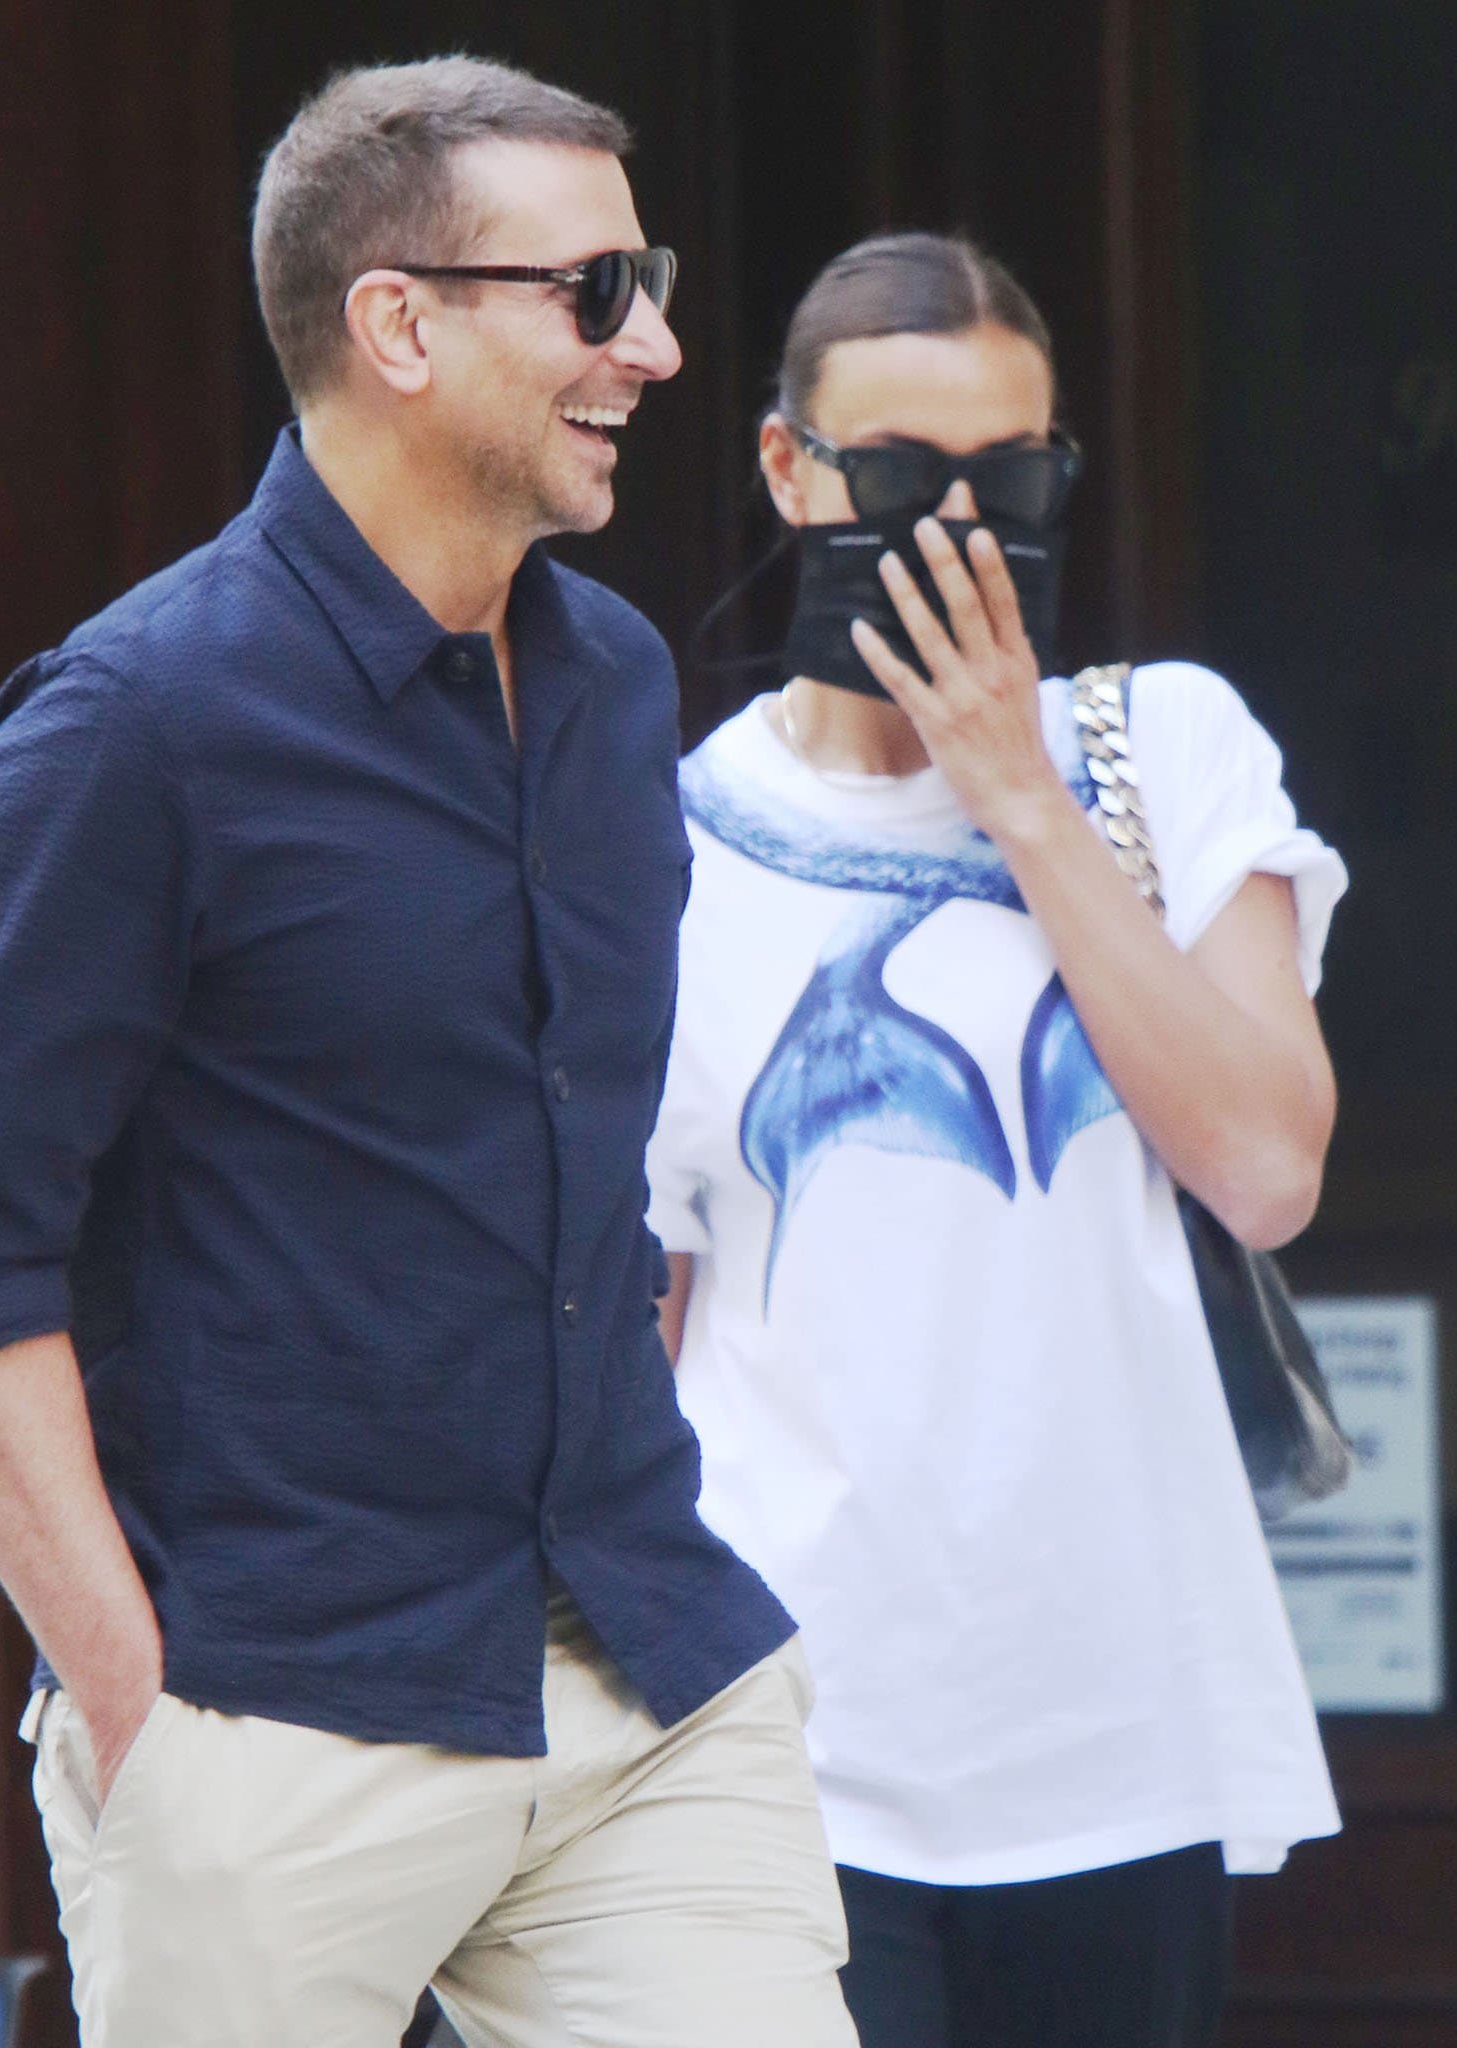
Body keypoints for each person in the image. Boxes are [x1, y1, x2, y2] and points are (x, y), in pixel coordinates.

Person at [0, 59, 856, 2048]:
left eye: (648, 283)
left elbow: (576, 1162)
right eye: (595, 290)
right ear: (397, 324)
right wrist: (136, 1710)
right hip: (269, 1712)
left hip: (642, 1668)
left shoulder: (613, 681)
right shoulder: (132, 725)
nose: (652, 346)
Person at [648, 232, 1345, 2048]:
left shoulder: (1161, 749)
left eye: (1008, 481)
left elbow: (1264, 1165)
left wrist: (1022, 799)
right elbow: (644, 1317)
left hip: (1118, 1720)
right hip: (789, 1730)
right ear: (788, 468)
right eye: (895, 476)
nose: (955, 529)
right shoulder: (667, 846)